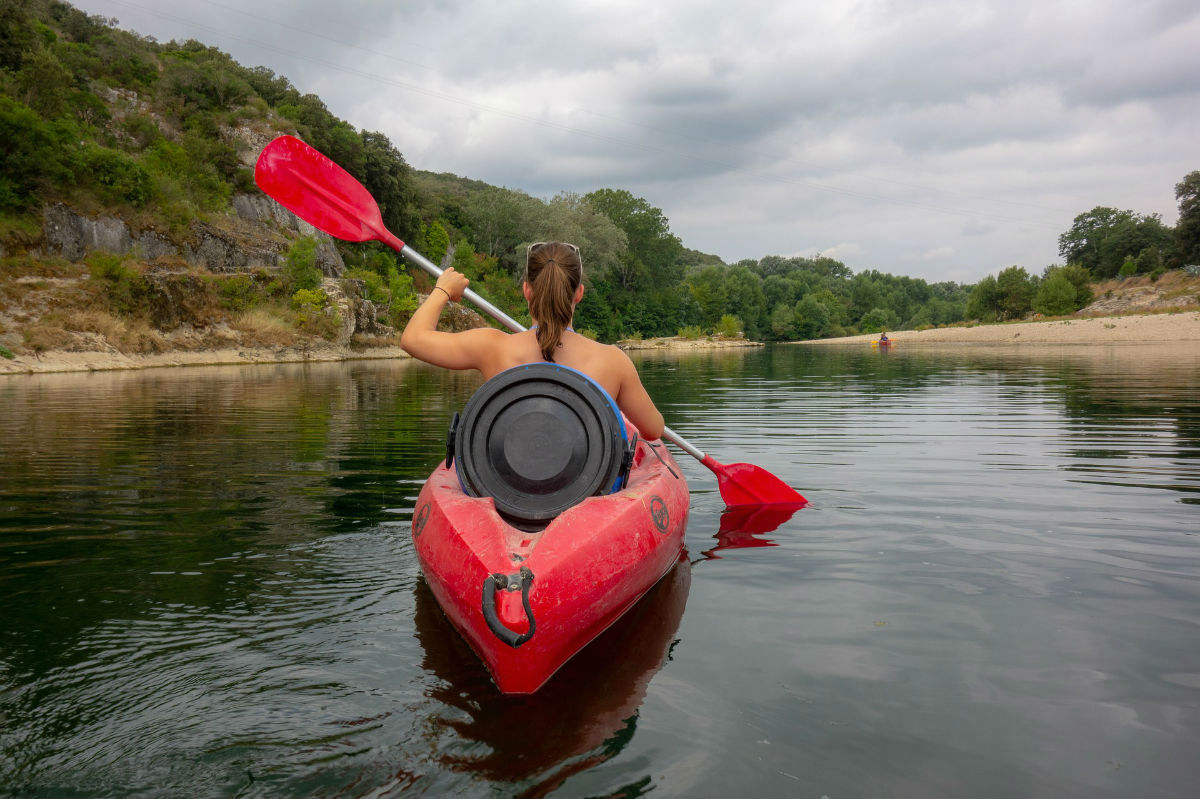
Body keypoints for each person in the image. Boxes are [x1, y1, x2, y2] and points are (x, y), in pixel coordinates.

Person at [400, 241, 665, 440]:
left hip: (511, 491)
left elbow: (412, 339)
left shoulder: (491, 347)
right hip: (586, 491)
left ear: (526, 290)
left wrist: (442, 289)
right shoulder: (612, 360)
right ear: (579, 294)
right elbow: (653, 430)